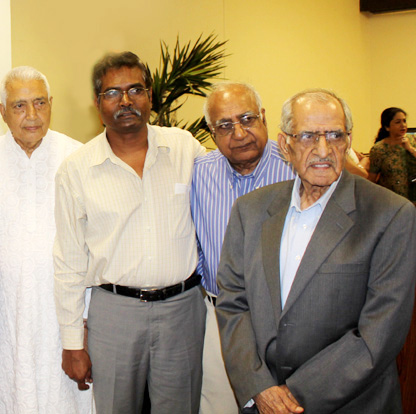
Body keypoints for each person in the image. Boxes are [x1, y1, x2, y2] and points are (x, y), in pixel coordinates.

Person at [216, 89, 416, 413]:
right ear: (285, 145)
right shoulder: (249, 210)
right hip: (263, 400)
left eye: (335, 135)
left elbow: (379, 332)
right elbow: (232, 304)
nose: (323, 150)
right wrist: (259, 387)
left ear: (348, 142)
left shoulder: (391, 214)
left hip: (353, 403)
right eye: (308, 136)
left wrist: (293, 396)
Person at [54, 51, 207, 414]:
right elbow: (69, 261)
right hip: (114, 315)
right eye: (112, 93)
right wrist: (73, 342)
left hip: (182, 311)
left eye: (135, 89)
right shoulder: (76, 170)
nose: (125, 101)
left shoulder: (185, 148)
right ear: (97, 104)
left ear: (150, 95)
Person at [0, 66, 92, 414]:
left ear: (51, 103)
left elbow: (94, 244)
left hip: (64, 312)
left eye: (40, 103)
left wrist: (87, 321)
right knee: (10, 391)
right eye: (19, 106)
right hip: (5, 314)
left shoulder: (78, 157)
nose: (32, 115)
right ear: (2, 112)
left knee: (66, 398)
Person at [191, 82, 295, 414]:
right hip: (220, 317)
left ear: (263, 117)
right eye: (224, 125)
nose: (239, 133)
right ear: (212, 132)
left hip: (286, 320)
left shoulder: (296, 167)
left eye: (247, 119)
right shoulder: (198, 175)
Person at [368, 107, 416, 203]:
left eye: (404, 121)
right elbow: (372, 179)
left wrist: (410, 148)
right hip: (392, 201)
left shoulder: (413, 140)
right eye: (398, 122)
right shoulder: (379, 149)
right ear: (387, 127)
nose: (403, 125)